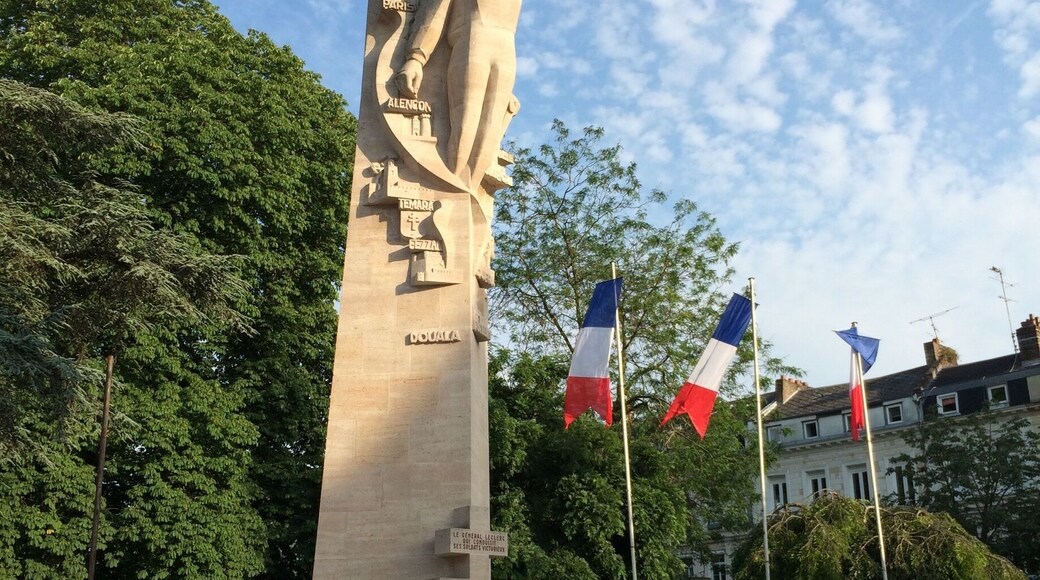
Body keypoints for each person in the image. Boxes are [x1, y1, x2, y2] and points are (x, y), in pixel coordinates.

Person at [396, 0, 522, 189]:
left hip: (506, 49)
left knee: (487, 142)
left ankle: (467, 200)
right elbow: (435, 12)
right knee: (465, 131)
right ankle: (451, 195)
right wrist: (416, 58)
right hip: (473, 39)